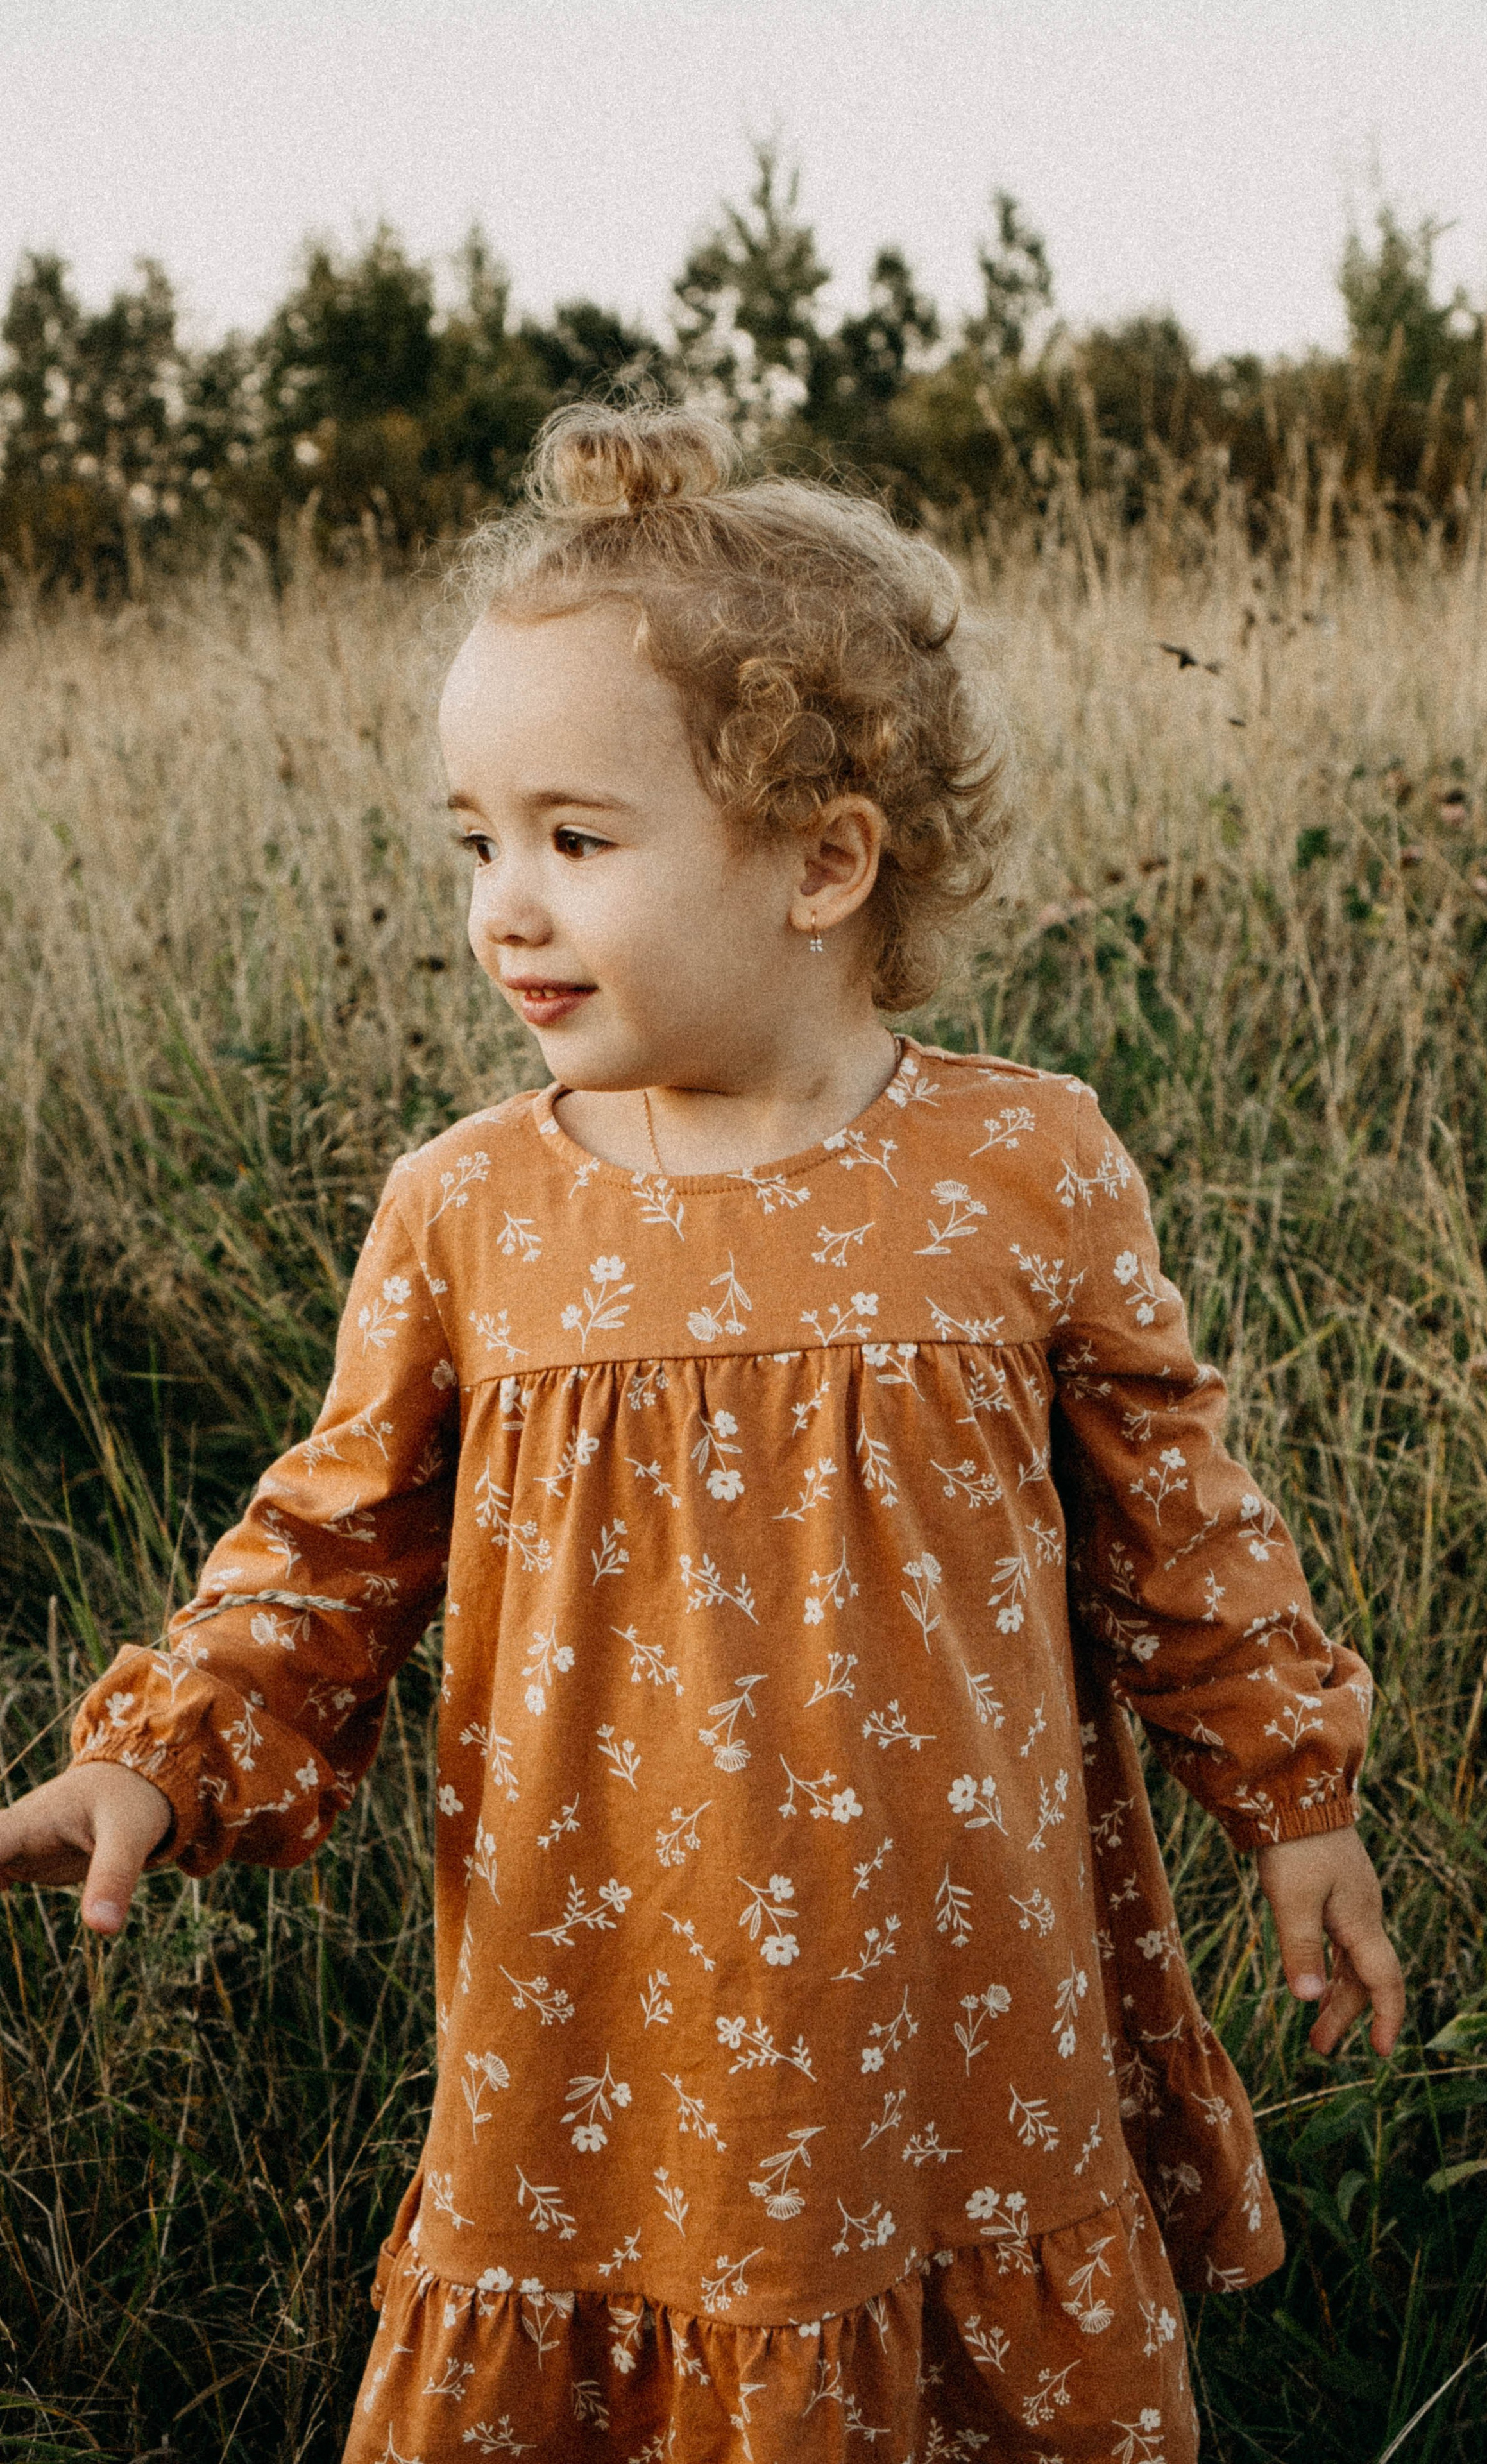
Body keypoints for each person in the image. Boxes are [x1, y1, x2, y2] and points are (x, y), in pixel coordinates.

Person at [0, 404, 1404, 2461]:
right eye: (473, 840)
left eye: (578, 840)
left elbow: (1184, 1526)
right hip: (610, 2046)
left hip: (959, 2036)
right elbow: (326, 1554)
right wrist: (156, 1758)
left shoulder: (1024, 1168)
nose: (504, 909)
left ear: (826, 859)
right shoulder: (471, 1209)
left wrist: (1297, 1800)